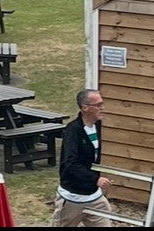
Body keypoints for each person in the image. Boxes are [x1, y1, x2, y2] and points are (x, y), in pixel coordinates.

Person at [51, 88, 112, 226]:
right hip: (72, 198)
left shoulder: (97, 125)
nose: (102, 108)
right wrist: (95, 179)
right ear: (85, 107)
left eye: (102, 104)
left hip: (95, 198)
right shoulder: (73, 130)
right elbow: (71, 164)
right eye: (98, 105)